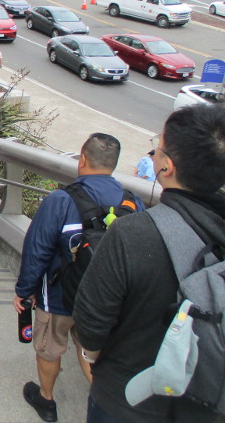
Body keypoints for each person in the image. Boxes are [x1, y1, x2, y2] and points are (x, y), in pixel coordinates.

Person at [74, 106, 225, 423]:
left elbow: (90, 326)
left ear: (166, 167)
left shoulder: (131, 234)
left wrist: (92, 357)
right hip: (206, 402)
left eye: (159, 146)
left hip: (126, 400)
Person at [14, 133, 145, 423]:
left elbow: (37, 250)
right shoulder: (133, 202)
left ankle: (46, 400)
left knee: (50, 347)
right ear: (113, 164)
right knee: (91, 351)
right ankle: (109, 407)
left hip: (59, 295)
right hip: (106, 300)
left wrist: (25, 290)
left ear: (83, 159)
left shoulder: (60, 200)